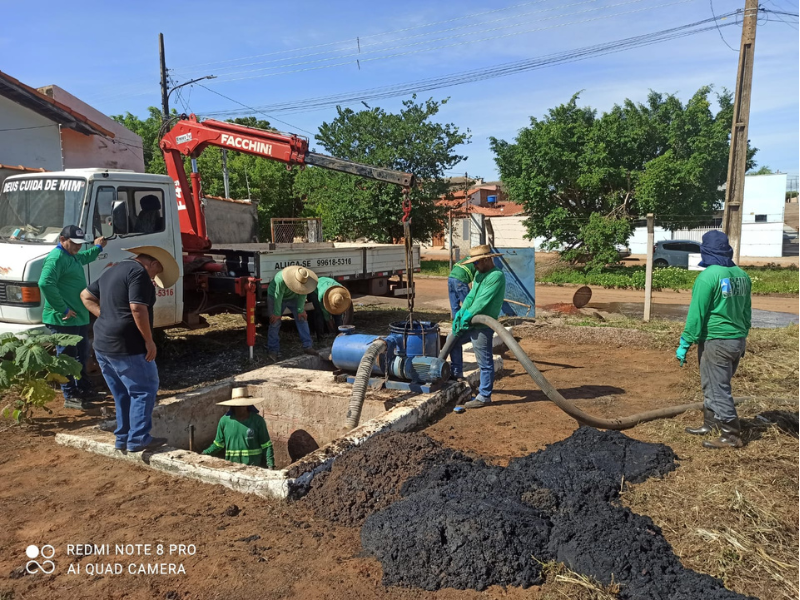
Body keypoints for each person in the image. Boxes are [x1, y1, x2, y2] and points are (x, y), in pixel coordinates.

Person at [80, 245, 180, 453]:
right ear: (153, 263)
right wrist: (149, 340)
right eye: (156, 272)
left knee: (122, 393)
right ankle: (139, 439)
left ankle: (123, 437)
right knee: (144, 389)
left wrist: (107, 317)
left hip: (103, 343)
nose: (154, 278)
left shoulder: (113, 270)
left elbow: (85, 296)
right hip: (128, 344)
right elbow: (137, 308)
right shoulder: (139, 273)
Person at [677, 230, 752, 449]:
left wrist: (685, 342)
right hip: (736, 340)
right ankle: (711, 424)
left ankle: (731, 435)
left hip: (716, 341)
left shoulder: (708, 277)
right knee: (712, 384)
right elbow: (746, 311)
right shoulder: (742, 275)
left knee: (718, 388)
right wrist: (742, 336)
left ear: (706, 250)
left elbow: (696, 314)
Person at [38, 225, 107, 409]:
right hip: (64, 319)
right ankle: (70, 395)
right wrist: (63, 309)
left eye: (80, 243)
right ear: (62, 240)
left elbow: (84, 257)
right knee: (66, 358)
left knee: (82, 354)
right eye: (74, 243)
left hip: (78, 317)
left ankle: (83, 389)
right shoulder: (56, 258)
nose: (78, 246)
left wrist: (98, 247)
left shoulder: (71, 255)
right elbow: (45, 283)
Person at [447, 245, 506, 409]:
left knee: (484, 362)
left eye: (476, 262)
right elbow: (471, 297)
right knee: (452, 341)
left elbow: (481, 302)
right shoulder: (480, 274)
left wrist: (467, 316)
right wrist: (461, 314)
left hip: (482, 325)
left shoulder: (496, 276)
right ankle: (456, 374)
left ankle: (484, 396)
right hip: (471, 321)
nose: (474, 266)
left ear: (486, 259)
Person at [202, 398, 275, 468]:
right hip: (232, 467)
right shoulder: (224, 421)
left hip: (253, 467)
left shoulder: (257, 421)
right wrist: (204, 454)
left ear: (247, 405)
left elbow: (266, 445)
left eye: (242, 405)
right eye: (237, 405)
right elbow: (218, 444)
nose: (239, 408)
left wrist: (270, 465)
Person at [266, 266, 318, 361]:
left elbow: (303, 294)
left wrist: (300, 310)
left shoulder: (304, 279)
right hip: (275, 297)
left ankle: (307, 346)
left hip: (293, 297)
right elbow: (278, 296)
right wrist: (277, 314)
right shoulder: (281, 279)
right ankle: (273, 350)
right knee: (275, 322)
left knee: (302, 318)